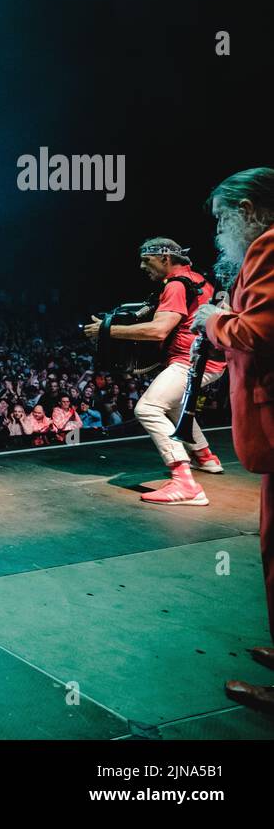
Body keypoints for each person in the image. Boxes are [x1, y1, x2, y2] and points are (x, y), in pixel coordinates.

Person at [194, 167, 274, 713]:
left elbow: (257, 329)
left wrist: (214, 319)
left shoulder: (270, 245)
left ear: (248, 209)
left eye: (224, 216)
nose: (220, 229)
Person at [83, 238, 226, 505]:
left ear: (164, 258)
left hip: (191, 362)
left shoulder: (175, 285)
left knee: (148, 408)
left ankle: (184, 484)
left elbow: (158, 330)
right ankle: (206, 457)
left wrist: (106, 330)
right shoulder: (198, 279)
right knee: (172, 405)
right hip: (209, 360)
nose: (141, 266)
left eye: (146, 260)